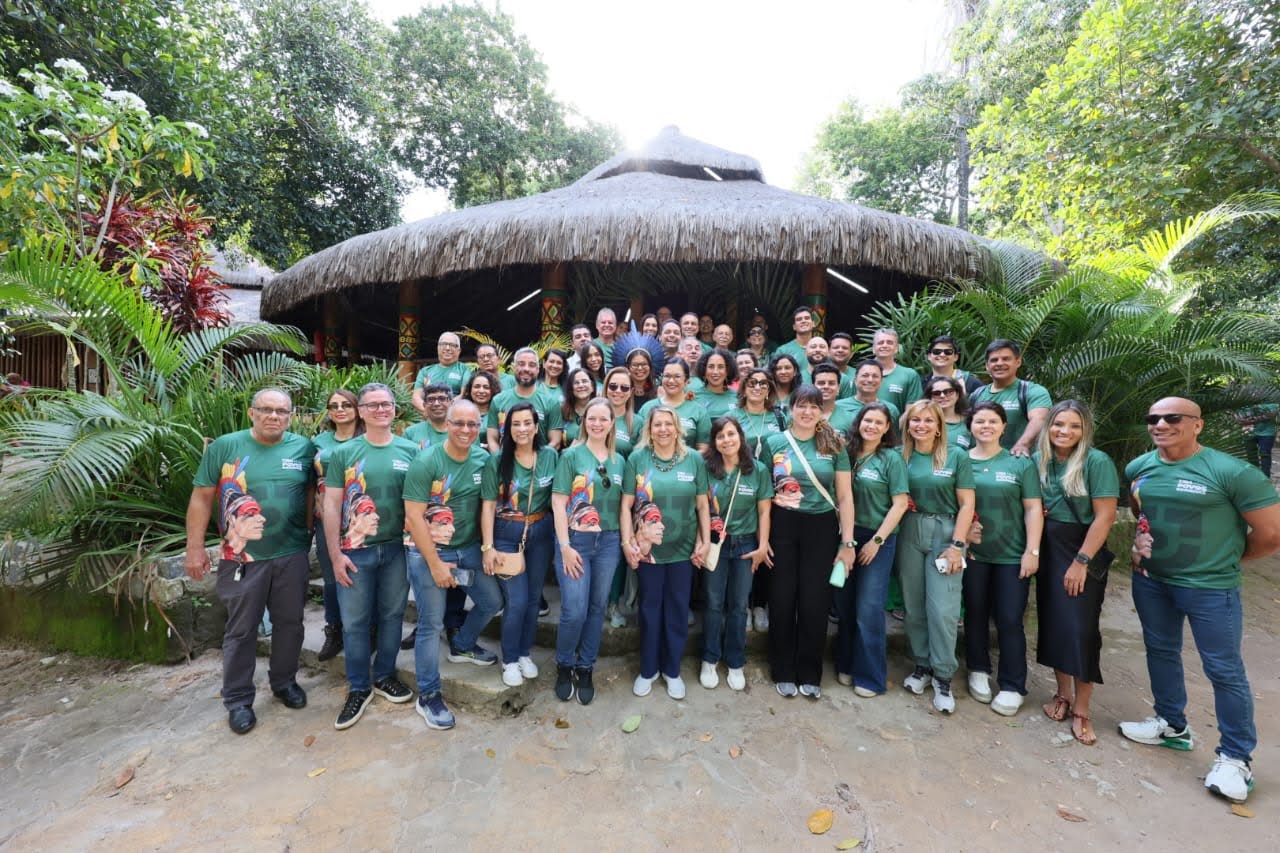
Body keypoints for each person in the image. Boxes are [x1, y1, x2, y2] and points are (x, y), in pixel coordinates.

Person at [1120, 397, 1280, 804]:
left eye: (1172, 418)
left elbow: (1271, 534)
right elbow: (1144, 516)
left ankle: (1235, 758)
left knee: (1223, 668)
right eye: (1152, 418)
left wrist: (1230, 559)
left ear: (1197, 425)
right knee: (1160, 650)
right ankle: (1172, 724)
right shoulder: (1139, 468)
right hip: (1151, 580)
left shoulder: (1232, 472)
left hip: (1210, 587)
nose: (1160, 424)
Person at [185, 388, 314, 735]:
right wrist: (194, 548)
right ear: (251, 413)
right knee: (241, 629)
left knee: (291, 623)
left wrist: (308, 532)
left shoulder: (303, 448)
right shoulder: (225, 446)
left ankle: (284, 682)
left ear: (290, 416)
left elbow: (312, 494)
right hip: (242, 557)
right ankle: (239, 699)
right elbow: (201, 497)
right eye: (266, 410)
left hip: (291, 553)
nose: (274, 416)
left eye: (281, 411)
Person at [403, 399, 503, 730]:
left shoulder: (483, 459)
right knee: (431, 624)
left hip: (469, 549)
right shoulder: (427, 460)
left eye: (473, 425)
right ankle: (428, 695)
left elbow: (487, 506)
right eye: (459, 423)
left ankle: (461, 645)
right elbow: (413, 516)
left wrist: (487, 548)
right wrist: (434, 564)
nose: (466, 430)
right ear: (446, 424)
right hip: (429, 551)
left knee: (492, 601)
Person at [323, 383, 419, 730]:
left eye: (387, 404)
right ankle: (358, 688)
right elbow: (331, 504)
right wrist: (334, 554)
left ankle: (385, 675)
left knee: (393, 616)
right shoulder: (344, 453)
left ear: (395, 410)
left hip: (397, 549)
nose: (381, 410)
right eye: (373, 405)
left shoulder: (411, 450)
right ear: (361, 411)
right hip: (355, 551)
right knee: (355, 622)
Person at [1034, 400, 1118, 746]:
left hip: (1079, 549)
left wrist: (1081, 561)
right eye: (1058, 424)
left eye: (1073, 426)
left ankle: (1083, 707)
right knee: (1054, 623)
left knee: (1081, 629)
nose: (1064, 432)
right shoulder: (1044, 460)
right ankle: (1062, 693)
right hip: (1049, 546)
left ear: (1085, 430)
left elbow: (1105, 516)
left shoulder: (1096, 462)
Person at [764, 385, 856, 699]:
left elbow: (844, 496)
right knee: (781, 597)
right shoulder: (773, 442)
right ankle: (782, 667)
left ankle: (809, 669)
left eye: (813, 406)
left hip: (822, 527)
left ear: (821, 411)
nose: (807, 412)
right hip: (783, 525)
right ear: (790, 408)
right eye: (801, 405)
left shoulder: (833, 444)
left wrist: (848, 542)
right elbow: (764, 494)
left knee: (815, 600)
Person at [622, 406, 711, 700]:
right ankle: (648, 669)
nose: (663, 429)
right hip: (649, 552)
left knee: (676, 611)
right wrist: (627, 543)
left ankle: (672, 670)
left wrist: (705, 540)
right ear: (649, 428)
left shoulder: (694, 459)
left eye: (668, 424)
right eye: (657, 424)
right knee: (649, 610)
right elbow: (626, 506)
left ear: (677, 428)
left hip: (683, 550)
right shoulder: (637, 459)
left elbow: (702, 506)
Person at [895, 398, 976, 715]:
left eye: (928, 421)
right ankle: (922, 665)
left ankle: (943, 675)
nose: (921, 426)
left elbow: (967, 504)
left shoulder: (955, 456)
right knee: (913, 606)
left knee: (942, 609)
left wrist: (958, 544)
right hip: (911, 531)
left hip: (946, 532)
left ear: (940, 425)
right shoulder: (901, 456)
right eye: (916, 420)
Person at [963, 402, 1043, 717]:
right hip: (974, 553)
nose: (985, 426)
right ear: (970, 425)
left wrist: (1032, 551)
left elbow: (1033, 508)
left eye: (992, 421)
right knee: (975, 613)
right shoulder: (960, 460)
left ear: (1004, 426)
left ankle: (1012, 684)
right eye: (979, 421)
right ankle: (978, 668)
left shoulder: (1019, 463)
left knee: (1010, 619)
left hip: (1012, 554)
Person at [552, 397, 626, 704]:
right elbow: (558, 501)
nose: (597, 424)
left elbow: (625, 505)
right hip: (576, 540)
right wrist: (565, 545)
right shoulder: (571, 456)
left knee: (597, 608)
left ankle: (585, 666)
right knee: (574, 609)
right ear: (585, 422)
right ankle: (564, 663)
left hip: (609, 541)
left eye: (603, 419)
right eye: (591, 418)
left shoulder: (620, 460)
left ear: (612, 423)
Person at [481, 403, 558, 687]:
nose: (522, 429)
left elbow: (559, 498)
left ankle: (525, 652)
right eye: (516, 424)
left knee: (534, 598)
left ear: (537, 426)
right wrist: (488, 547)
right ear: (507, 428)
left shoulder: (550, 456)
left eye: (528, 423)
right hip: (506, 533)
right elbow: (488, 506)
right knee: (517, 600)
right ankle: (510, 659)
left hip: (541, 531)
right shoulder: (497, 460)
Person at [834, 403, 909, 696]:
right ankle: (846, 662)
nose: (872, 426)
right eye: (868, 420)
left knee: (869, 607)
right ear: (859, 422)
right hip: (843, 536)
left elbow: (900, 503)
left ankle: (871, 677)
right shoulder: (846, 452)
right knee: (845, 602)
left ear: (888, 427)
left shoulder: (891, 458)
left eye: (879, 422)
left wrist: (876, 541)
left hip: (878, 538)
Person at [700, 416, 773, 691]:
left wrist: (762, 545)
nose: (726, 440)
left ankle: (735, 661)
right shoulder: (706, 469)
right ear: (714, 442)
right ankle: (709, 658)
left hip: (745, 544)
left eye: (731, 434)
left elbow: (765, 510)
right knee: (713, 602)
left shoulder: (758, 469)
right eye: (720, 436)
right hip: (716, 543)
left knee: (739, 605)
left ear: (740, 437)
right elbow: (701, 509)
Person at [312, 388, 364, 663]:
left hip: (362, 518)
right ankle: (335, 629)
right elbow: (310, 478)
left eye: (346, 404)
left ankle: (369, 628)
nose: (340, 409)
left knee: (363, 575)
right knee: (332, 576)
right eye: (333, 405)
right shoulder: (319, 441)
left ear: (357, 408)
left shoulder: (369, 438)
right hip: (328, 518)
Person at [969, 339, 1052, 456]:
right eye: (994, 360)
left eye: (1006, 359)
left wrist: (1022, 445)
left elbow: (1039, 419)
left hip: (1016, 462)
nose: (999, 363)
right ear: (987, 366)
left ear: (1018, 362)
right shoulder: (976, 395)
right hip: (979, 465)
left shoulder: (1033, 391)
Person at [487, 347, 564, 451]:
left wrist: (537, 460)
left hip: (539, 464)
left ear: (538, 369)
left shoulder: (550, 402)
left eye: (531, 365)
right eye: (521, 364)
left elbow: (555, 442)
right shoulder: (498, 400)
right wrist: (499, 460)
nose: (526, 369)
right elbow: (492, 438)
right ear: (514, 367)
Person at [638, 358, 711, 452]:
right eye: (667, 376)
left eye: (677, 376)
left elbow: (703, 448)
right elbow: (640, 445)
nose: (671, 381)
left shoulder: (699, 411)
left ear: (687, 380)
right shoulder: (647, 408)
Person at [412, 332, 469, 417]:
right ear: (438, 348)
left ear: (459, 350)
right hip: (429, 418)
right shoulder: (425, 371)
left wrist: (444, 412)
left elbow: (464, 395)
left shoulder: (465, 369)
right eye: (443, 344)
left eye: (452, 345)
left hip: (454, 417)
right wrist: (430, 413)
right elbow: (415, 397)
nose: (447, 348)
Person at [870, 328, 923, 415]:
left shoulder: (909, 375)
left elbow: (911, 412)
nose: (885, 345)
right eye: (880, 343)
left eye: (889, 342)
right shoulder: (861, 374)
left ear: (897, 348)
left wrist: (895, 428)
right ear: (873, 348)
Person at [835, 359, 900, 426]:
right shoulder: (838, 407)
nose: (870, 380)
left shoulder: (891, 410)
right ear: (855, 380)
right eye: (865, 375)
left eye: (875, 376)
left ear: (881, 381)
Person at [925, 375, 972, 450]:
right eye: (937, 393)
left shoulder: (970, 422)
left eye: (948, 392)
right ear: (930, 397)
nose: (942, 396)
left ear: (957, 394)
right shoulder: (923, 422)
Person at [1234, 400, 1277, 477]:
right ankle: (1255, 476)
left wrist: (1251, 420)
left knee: (1265, 455)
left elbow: (1271, 414)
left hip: (1267, 433)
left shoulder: (1270, 401)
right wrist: (1242, 420)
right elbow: (1238, 417)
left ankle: (1265, 477)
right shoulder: (1245, 402)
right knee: (1251, 455)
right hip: (1248, 432)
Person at [405, 383, 453, 453]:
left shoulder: (461, 430)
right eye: (431, 399)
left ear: (451, 403)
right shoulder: (411, 433)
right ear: (424, 405)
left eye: (442, 399)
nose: (436, 403)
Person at [812, 362, 854, 437]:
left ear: (838, 388)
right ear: (813, 387)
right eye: (821, 383)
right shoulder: (802, 415)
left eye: (831, 383)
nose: (826, 386)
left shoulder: (850, 419)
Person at [694, 348, 738, 419]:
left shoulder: (738, 397)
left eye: (720, 367)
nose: (715, 372)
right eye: (711, 367)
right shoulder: (694, 396)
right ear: (704, 370)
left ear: (727, 370)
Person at [559, 367, 598, 445]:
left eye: (584, 381)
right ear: (571, 388)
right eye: (576, 383)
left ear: (592, 386)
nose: (581, 385)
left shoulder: (601, 411)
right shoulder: (561, 411)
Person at [774, 306, 816, 372]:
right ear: (794, 327)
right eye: (799, 319)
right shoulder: (783, 350)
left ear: (813, 323)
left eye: (807, 318)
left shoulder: (822, 349)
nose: (803, 321)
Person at [768, 352, 802, 420]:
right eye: (778, 368)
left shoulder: (802, 394)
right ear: (773, 373)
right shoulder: (766, 394)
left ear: (795, 371)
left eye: (787, 368)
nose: (783, 372)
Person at [828, 332, 857, 399]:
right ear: (828, 351)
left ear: (851, 353)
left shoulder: (858, 374)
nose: (840, 350)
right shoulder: (820, 374)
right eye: (836, 347)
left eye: (844, 348)